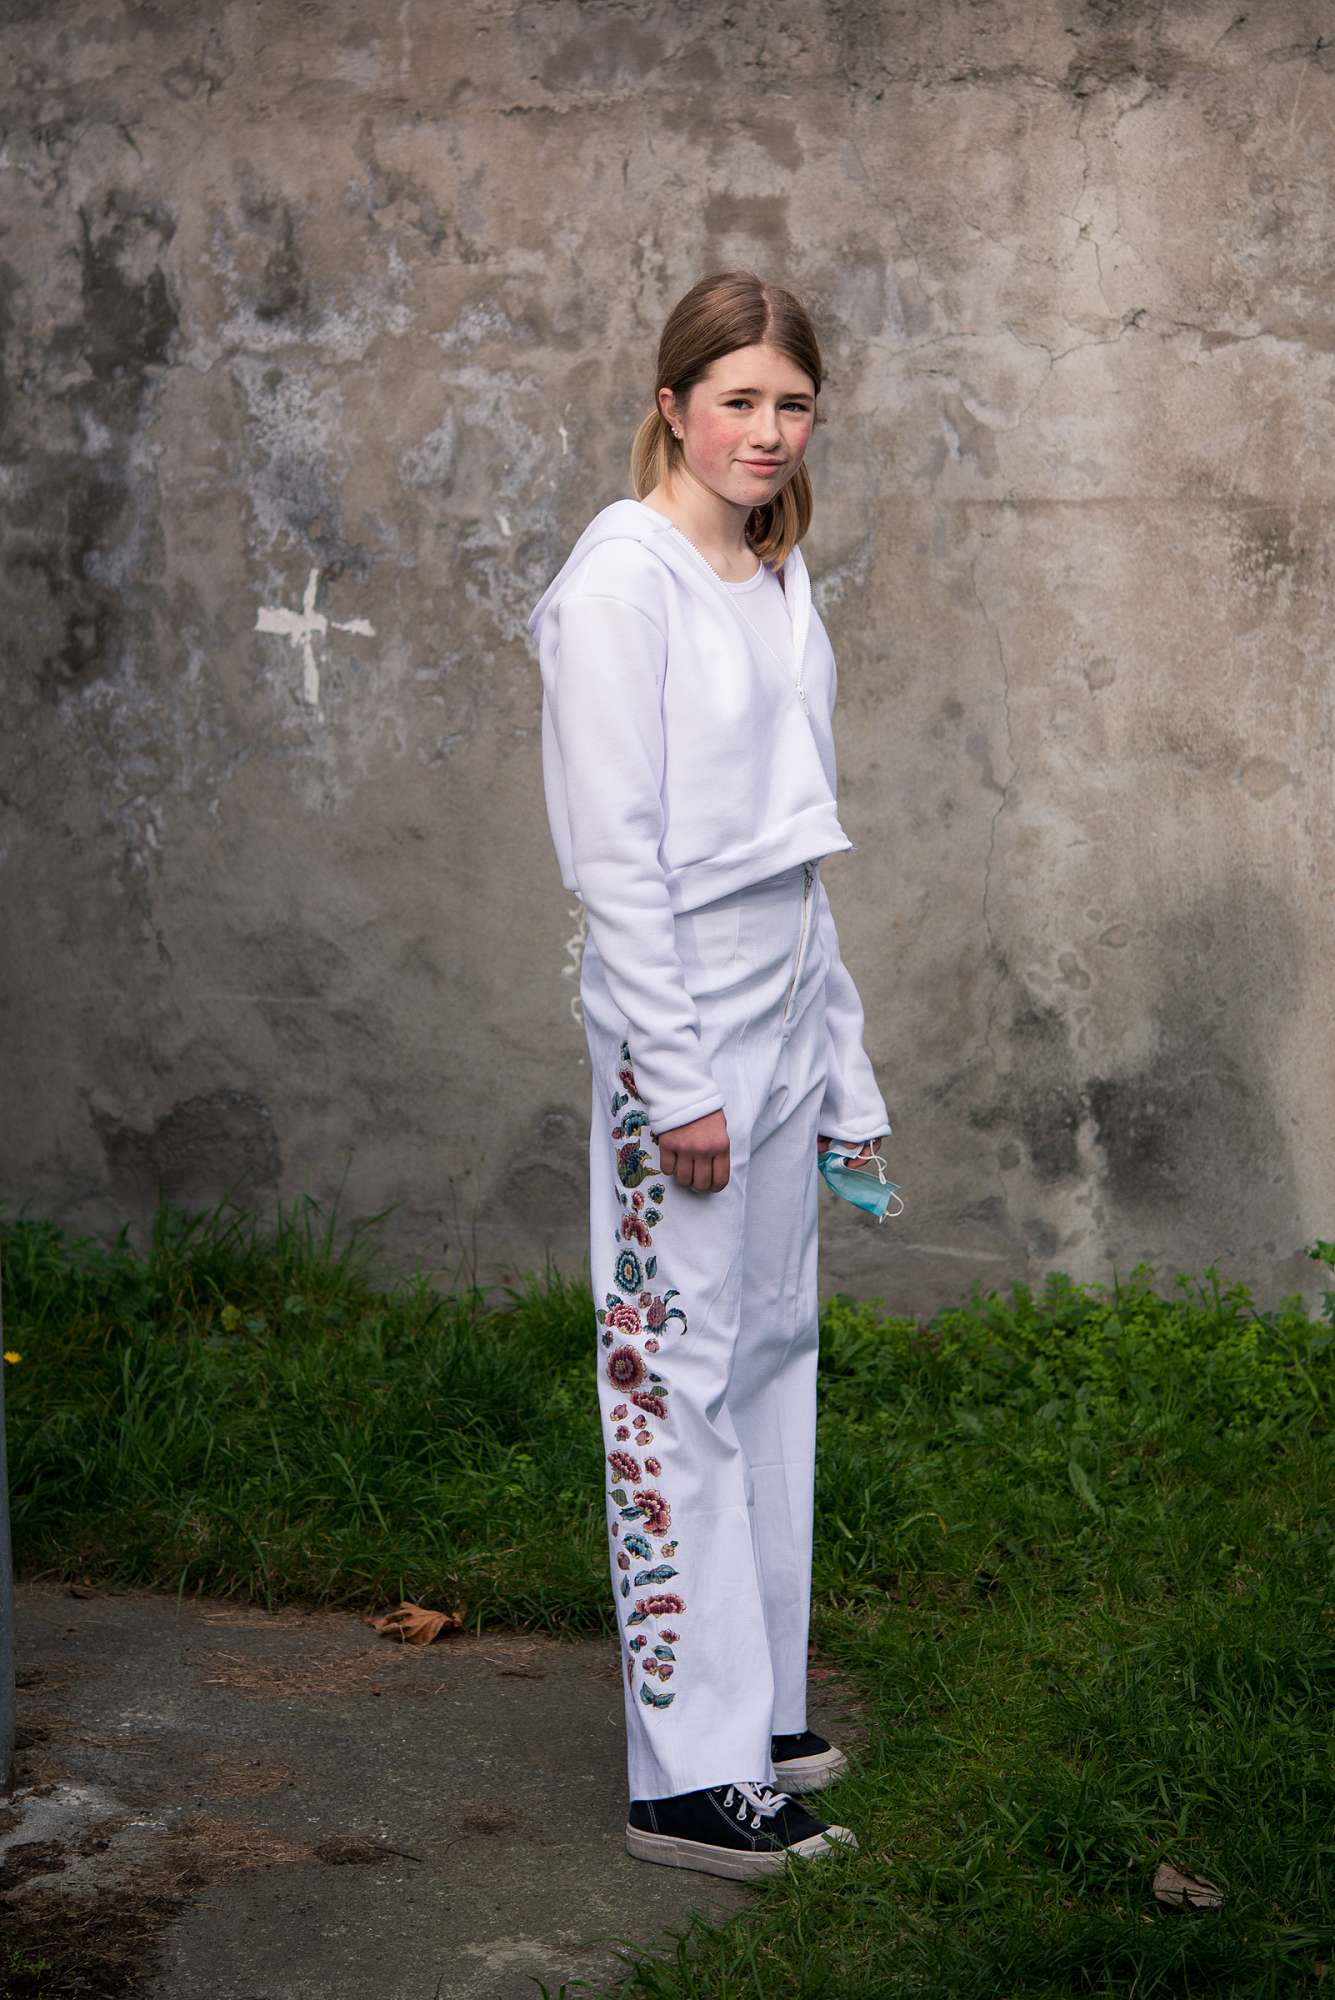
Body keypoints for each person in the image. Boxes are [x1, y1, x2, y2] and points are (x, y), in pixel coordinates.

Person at [526, 269, 894, 1882]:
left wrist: (844, 1064)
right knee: (672, 1377)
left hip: (785, 1000)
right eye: (738, 399)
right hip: (679, 1019)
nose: (768, 430)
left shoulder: (773, 567)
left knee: (770, 1357)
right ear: (672, 405)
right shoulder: (621, 583)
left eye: (792, 403)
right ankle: (685, 1775)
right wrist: (675, 1080)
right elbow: (614, 859)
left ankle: (758, 1711)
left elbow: (799, 850)